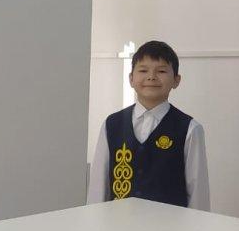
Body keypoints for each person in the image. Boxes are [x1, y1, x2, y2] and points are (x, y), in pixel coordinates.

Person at [87, 40, 209, 210]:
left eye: (161, 71)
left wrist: (199, 225)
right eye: (143, 70)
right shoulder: (112, 124)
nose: (151, 76)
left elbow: (197, 192)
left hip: (170, 225)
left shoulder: (189, 128)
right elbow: (98, 186)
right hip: (118, 223)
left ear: (176, 80)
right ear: (131, 79)